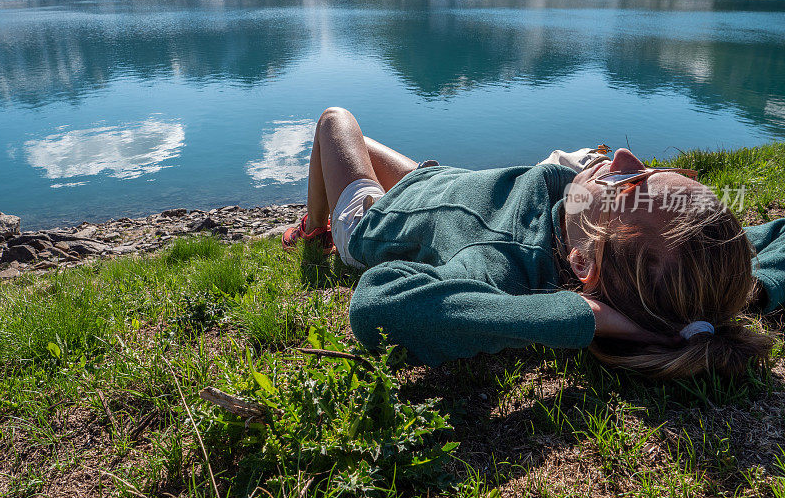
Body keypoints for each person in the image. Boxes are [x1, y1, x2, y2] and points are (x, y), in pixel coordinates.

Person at [283, 108, 784, 378]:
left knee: (335, 122)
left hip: (384, 218)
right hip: (447, 184)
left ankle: (318, 230)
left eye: (627, 186)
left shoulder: (495, 263)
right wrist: (735, 297)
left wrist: (583, 317)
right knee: (359, 140)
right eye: (656, 172)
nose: (629, 157)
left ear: (582, 262)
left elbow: (380, 306)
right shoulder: (685, 266)